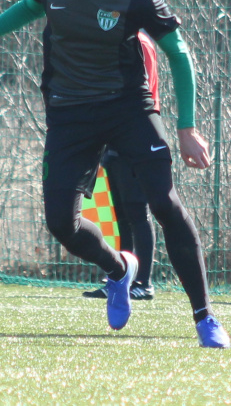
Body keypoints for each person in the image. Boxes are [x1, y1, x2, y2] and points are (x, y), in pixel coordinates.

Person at [0, 0, 230, 348]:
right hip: (70, 113)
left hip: (128, 109)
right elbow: (30, 7)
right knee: (61, 223)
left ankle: (205, 318)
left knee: (163, 203)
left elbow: (178, 53)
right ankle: (119, 269)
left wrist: (187, 128)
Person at [83, 32, 158, 301]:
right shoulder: (113, 42)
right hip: (115, 139)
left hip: (136, 138)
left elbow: (143, 92)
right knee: (122, 216)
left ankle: (144, 282)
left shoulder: (141, 43)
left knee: (138, 214)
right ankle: (122, 277)